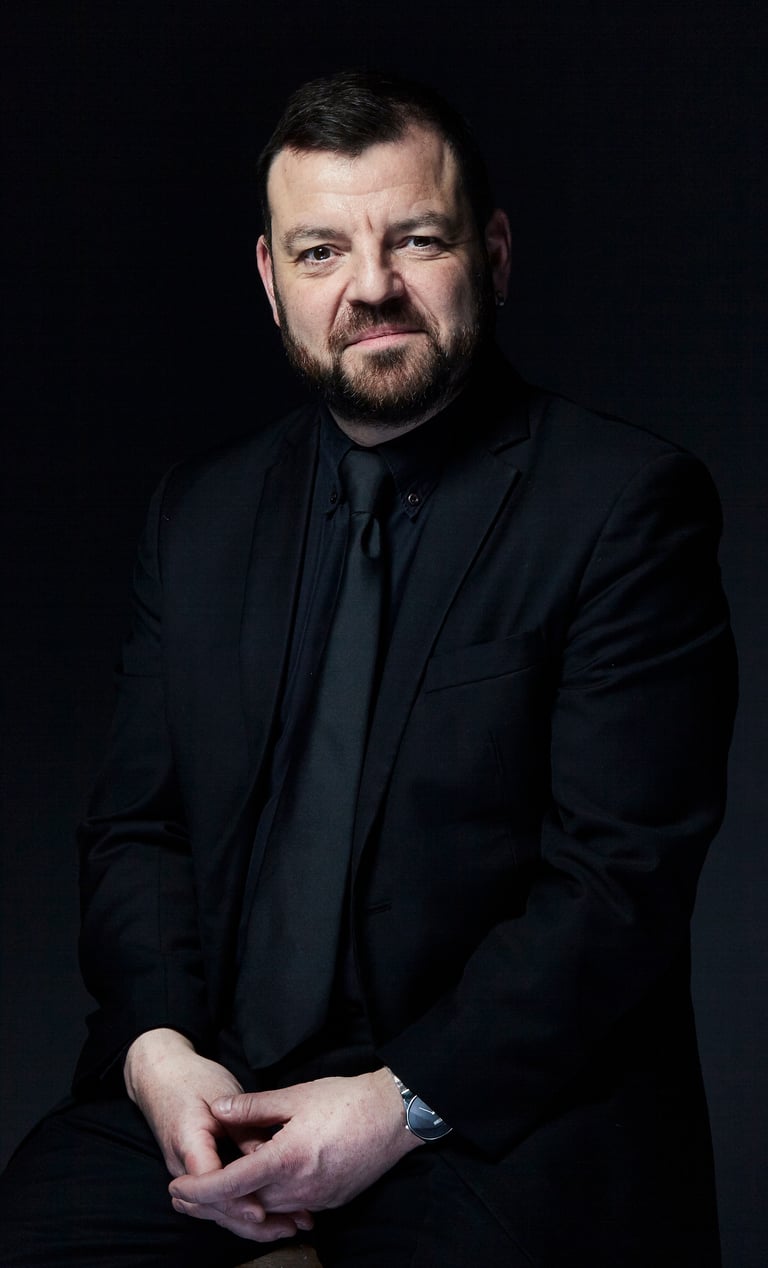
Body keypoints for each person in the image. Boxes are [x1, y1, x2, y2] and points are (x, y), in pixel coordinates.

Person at [0, 70, 736, 1267]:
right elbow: (139, 830)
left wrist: (396, 1102)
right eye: (322, 250)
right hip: (225, 1091)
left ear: (492, 252)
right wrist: (159, 1054)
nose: (371, 288)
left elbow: (619, 884)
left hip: (497, 1118)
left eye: (416, 239)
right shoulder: (197, 517)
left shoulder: (621, 505)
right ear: (269, 280)